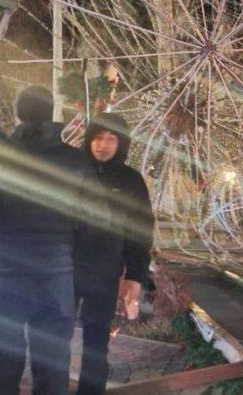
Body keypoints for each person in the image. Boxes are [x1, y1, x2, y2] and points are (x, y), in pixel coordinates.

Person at [0, 86, 100, 395]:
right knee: (52, 368)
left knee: (2, 368)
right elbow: (98, 220)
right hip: (55, 277)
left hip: (5, 275)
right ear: (51, 113)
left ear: (17, 115)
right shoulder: (75, 161)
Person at [75, 113, 152, 395]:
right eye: (98, 137)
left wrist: (135, 275)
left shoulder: (130, 180)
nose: (103, 145)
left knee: (96, 341)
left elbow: (140, 230)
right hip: (66, 266)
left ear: (121, 143)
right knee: (54, 335)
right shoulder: (73, 170)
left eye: (111, 139)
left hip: (105, 270)